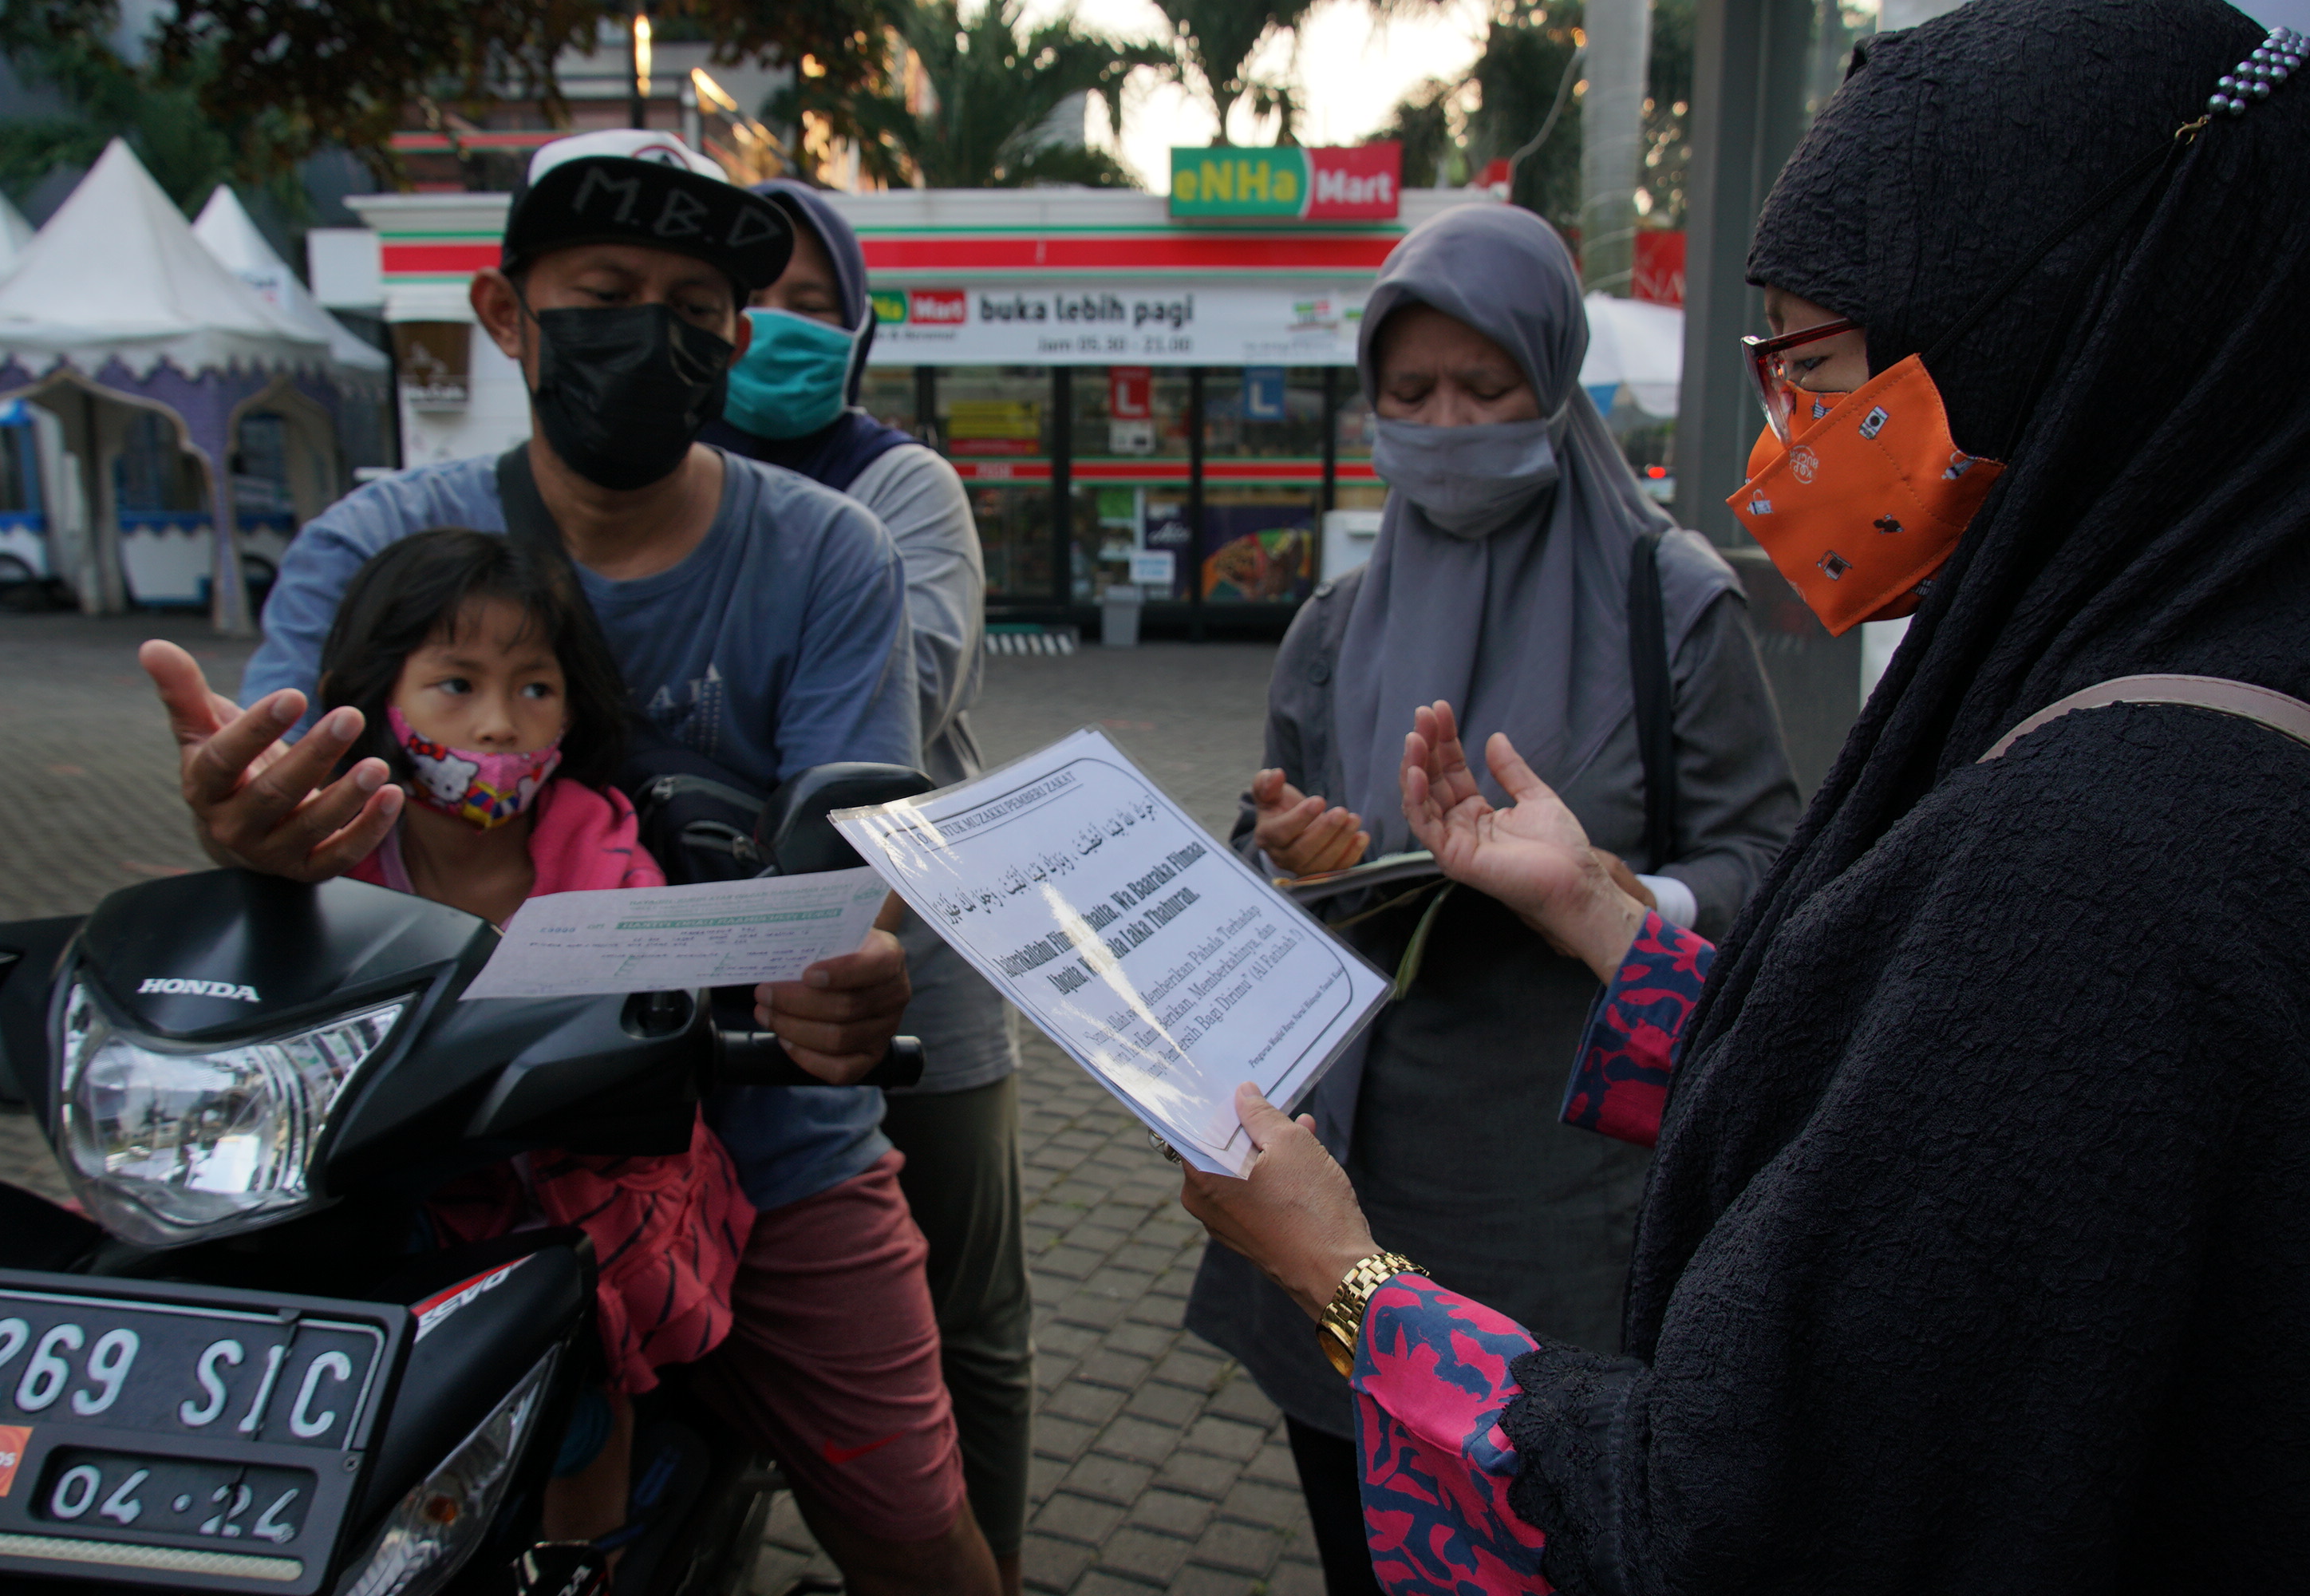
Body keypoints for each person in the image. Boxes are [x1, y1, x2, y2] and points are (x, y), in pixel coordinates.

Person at [1178, 2, 2310, 1590]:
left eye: (1825, 373)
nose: (1787, 450)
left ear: (2042, 336)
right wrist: (1565, 899)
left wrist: (1344, 1276)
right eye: (1408, 391)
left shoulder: (2086, 856)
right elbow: (1873, 1085)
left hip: (1545, 1226)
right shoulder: (2191, 691)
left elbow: (1723, 1515)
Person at [140, 129, 998, 1594]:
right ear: (505, 314)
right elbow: (280, 818)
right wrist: (246, 839)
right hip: (426, 1163)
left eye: (692, 307)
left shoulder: (831, 555)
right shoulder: (378, 540)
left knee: (922, 1539)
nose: (649, 334)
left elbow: (851, 860)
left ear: (734, 339)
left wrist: (846, 979)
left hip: (774, 1150)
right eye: (604, 290)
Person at [1182, 203, 1798, 1594]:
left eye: (1484, 385)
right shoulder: (1333, 622)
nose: (1444, 422)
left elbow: (1768, 861)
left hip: (1570, 1200)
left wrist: (1614, 893)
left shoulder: (1668, 598)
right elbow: (1256, 823)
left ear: (1553, 379)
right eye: (1408, 395)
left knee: (1556, 1530)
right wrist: (1292, 847)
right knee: (1364, 1540)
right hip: (1344, 1180)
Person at [305, 525, 754, 1551]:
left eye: (534, 688)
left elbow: (638, 972)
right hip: (384, 1179)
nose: (499, 723)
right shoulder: (334, 854)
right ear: (377, 693)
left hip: (579, 1174)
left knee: (583, 1378)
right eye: (454, 684)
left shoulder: (597, 832)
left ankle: (578, 1559)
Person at [708, 180, 1033, 1591]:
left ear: (856, 327)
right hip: (712, 971)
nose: (776, 326)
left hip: (922, 966)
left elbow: (890, 701)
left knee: (963, 1322)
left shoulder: (900, 485)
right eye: (747, 300)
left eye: (810, 302)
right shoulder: (652, 488)